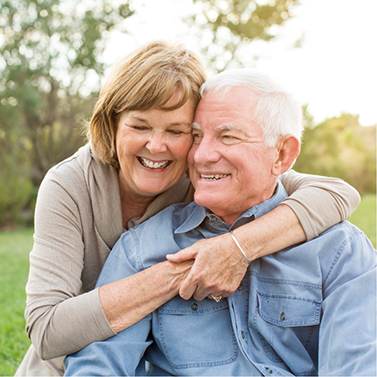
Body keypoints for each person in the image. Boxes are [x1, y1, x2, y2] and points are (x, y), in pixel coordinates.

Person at [16, 41, 361, 376]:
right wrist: (195, 266)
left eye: (179, 131)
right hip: (62, 354)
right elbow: (48, 330)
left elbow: (334, 192)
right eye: (139, 126)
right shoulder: (71, 186)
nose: (157, 145)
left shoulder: (203, 176)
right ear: (112, 124)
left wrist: (236, 247)